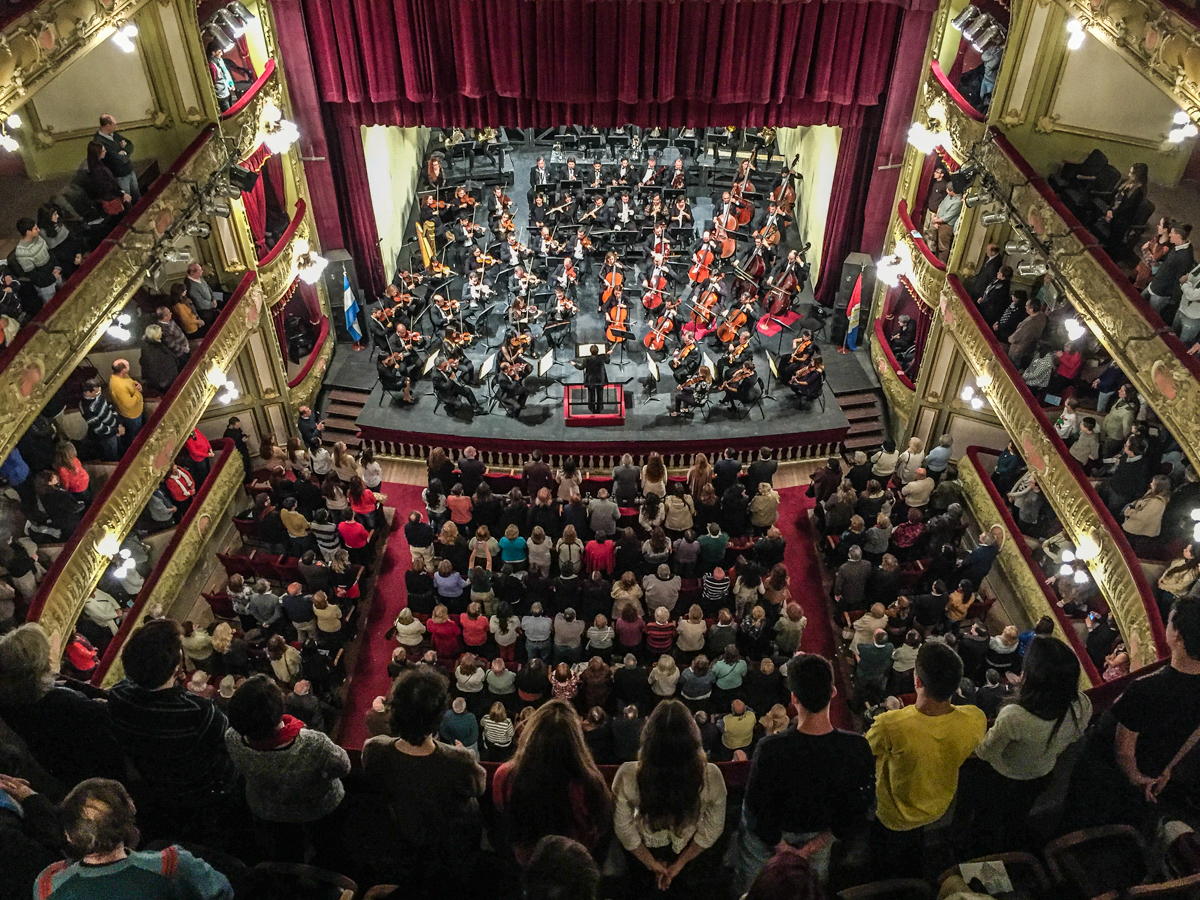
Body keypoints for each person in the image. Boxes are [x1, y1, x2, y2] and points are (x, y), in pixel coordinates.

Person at [737, 654, 875, 890]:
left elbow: (755, 810)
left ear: (794, 699)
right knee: (809, 890)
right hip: (819, 839)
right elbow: (859, 810)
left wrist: (782, 847)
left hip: (769, 840)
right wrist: (809, 848)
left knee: (756, 889)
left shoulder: (770, 749)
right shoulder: (857, 748)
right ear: (833, 692)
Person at [958, 637, 1091, 854]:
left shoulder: (1016, 715)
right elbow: (1074, 738)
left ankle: (976, 852)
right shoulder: (1083, 705)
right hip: (1042, 774)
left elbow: (985, 752)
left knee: (985, 819)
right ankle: (1013, 850)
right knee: (1017, 815)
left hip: (1003, 778)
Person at [361, 667, 487, 893]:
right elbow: (479, 789)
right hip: (451, 835)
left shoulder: (374, 750)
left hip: (403, 825)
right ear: (439, 717)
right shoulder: (459, 760)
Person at [866, 641, 986, 877]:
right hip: (939, 805)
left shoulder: (891, 724)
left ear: (917, 681)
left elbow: (864, 751)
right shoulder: (976, 718)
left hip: (894, 813)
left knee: (885, 854)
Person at [35, 778, 233, 900]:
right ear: (128, 823)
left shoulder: (48, 886)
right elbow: (223, 892)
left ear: (70, 835)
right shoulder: (171, 865)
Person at [224, 675, 350, 858]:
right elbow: (343, 767)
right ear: (279, 709)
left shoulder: (232, 738)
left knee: (287, 849)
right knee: (328, 846)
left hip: (269, 809)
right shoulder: (313, 743)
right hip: (317, 808)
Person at [613, 700, 728, 893]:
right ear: (693, 738)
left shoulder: (626, 773)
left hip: (642, 846)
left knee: (640, 888)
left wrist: (650, 863)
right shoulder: (712, 775)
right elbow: (713, 828)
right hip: (689, 846)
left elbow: (624, 829)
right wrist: (679, 864)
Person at [493, 699, 613, 866]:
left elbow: (502, 810)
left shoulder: (505, 774)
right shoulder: (589, 783)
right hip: (572, 860)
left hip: (526, 857)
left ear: (531, 735)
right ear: (576, 741)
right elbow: (597, 826)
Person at [108, 359, 144, 447]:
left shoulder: (122, 376)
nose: (129, 366)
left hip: (136, 411)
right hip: (132, 415)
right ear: (123, 370)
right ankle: (134, 448)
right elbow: (129, 404)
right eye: (128, 365)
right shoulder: (119, 386)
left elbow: (130, 382)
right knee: (134, 434)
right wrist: (137, 392)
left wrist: (136, 384)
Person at [573, 343, 611, 413]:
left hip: (590, 380)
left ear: (590, 351)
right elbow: (608, 361)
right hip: (600, 379)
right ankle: (600, 408)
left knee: (591, 394)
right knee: (600, 394)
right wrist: (608, 355)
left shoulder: (587, 359)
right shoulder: (601, 357)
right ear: (598, 351)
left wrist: (574, 364)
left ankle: (591, 408)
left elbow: (581, 368)